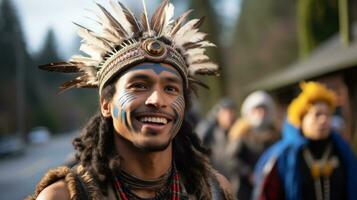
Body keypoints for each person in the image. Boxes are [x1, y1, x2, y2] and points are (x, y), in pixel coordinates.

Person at [27, 1, 234, 199]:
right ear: (106, 105)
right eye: (139, 86)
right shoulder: (65, 196)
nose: (157, 100)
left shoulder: (214, 191)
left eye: (171, 88)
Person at [253, 82, 357, 200]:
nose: (323, 119)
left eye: (327, 114)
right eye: (317, 114)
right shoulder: (282, 156)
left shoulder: (343, 150)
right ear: (301, 119)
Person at [226, 91, 280, 200]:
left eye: (263, 109)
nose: (260, 113)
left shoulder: (276, 133)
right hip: (247, 188)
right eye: (256, 110)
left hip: (272, 184)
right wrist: (248, 173)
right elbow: (231, 160)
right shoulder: (241, 133)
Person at [195, 98, 237, 175]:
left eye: (231, 112)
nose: (229, 116)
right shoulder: (210, 132)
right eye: (225, 112)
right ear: (218, 114)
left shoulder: (240, 131)